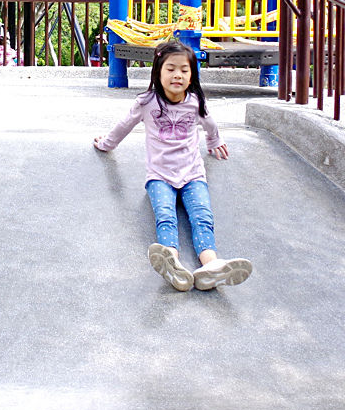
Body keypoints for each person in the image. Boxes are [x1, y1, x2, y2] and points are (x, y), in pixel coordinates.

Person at [93, 39, 252, 291]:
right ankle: (172, 263)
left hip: (193, 174)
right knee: (165, 216)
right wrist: (106, 144)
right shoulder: (146, 102)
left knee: (202, 216)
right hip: (160, 176)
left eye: (184, 70)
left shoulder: (195, 102)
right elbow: (124, 125)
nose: (177, 74)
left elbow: (210, 124)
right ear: (158, 72)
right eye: (170, 69)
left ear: (191, 76)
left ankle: (210, 266)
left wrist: (214, 140)